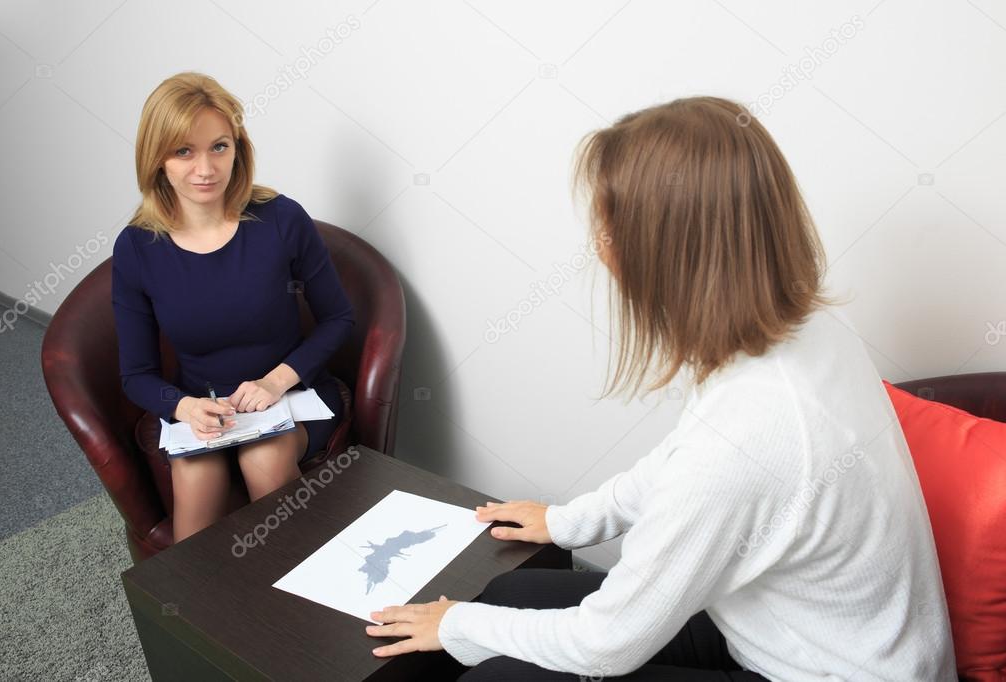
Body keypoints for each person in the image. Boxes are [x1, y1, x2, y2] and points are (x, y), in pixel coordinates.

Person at [363, 97, 956, 680]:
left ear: (665, 253)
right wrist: (573, 522)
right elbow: (685, 459)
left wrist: (457, 626)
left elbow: (605, 645)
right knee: (513, 591)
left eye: (609, 226)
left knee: (495, 675)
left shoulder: (748, 437)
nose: (599, 245)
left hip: (823, 669)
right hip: (789, 632)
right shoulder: (804, 328)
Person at [111, 72, 354, 542]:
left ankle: (296, 596)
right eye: (184, 151)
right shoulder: (138, 247)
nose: (206, 168)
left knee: (264, 458)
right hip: (201, 409)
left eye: (219, 147)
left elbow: (339, 318)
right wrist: (182, 407)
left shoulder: (281, 219)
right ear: (156, 158)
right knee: (195, 480)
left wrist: (275, 380)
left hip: (290, 395)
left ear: (238, 148)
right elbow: (136, 374)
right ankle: (204, 610)